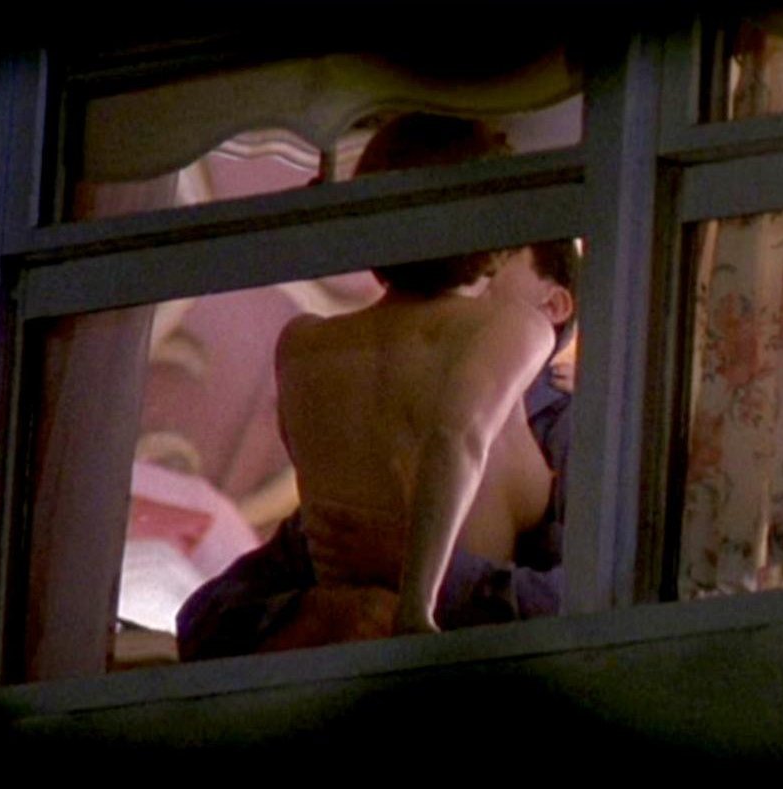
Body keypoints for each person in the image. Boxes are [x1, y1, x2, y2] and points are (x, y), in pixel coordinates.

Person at [176, 114, 578, 657]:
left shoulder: (575, 431)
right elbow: (206, 621)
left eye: (511, 240)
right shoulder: (357, 413)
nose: (494, 255)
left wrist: (432, 574)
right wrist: (319, 613)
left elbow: (596, 600)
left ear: (553, 304)